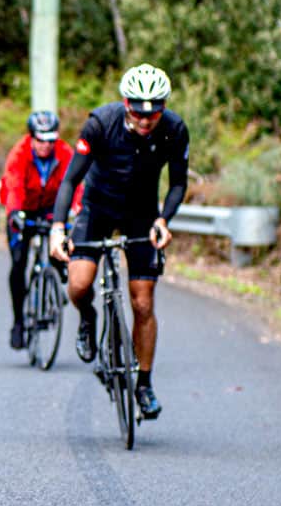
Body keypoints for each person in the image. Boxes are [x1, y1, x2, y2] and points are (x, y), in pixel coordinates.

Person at [49, 63, 189, 420]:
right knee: (79, 286)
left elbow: (176, 184)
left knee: (143, 304)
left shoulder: (174, 130)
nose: (145, 122)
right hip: (98, 209)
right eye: (138, 113)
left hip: (142, 214)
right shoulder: (100, 123)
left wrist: (163, 220)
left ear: (163, 107)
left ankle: (143, 384)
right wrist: (57, 229)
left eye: (153, 114)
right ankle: (88, 317)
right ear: (125, 104)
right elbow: (69, 182)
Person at [0, 110, 79, 350]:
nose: (45, 145)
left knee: (59, 246)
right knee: (19, 262)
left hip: (52, 208)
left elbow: (75, 184)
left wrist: (76, 210)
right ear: (31, 137)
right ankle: (19, 322)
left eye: (50, 140)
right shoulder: (20, 153)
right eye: (40, 140)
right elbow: (13, 185)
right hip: (23, 207)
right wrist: (14, 214)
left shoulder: (65, 153)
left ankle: (55, 275)